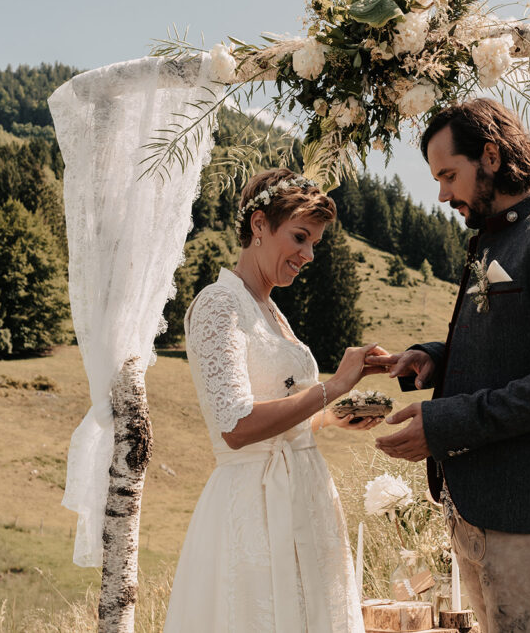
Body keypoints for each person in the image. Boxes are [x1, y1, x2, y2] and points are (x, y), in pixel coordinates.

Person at [369, 99, 530, 633]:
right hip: (477, 503)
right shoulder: (491, 241)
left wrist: (444, 423)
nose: (441, 194)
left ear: (492, 155)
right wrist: (435, 357)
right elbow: (509, 344)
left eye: (449, 175)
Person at [164, 168, 385, 633]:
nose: (307, 255)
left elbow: (282, 411)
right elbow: (237, 426)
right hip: (255, 506)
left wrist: (335, 416)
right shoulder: (218, 304)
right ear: (259, 224)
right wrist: (334, 385)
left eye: (314, 245)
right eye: (300, 237)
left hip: (304, 494)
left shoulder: (271, 310)